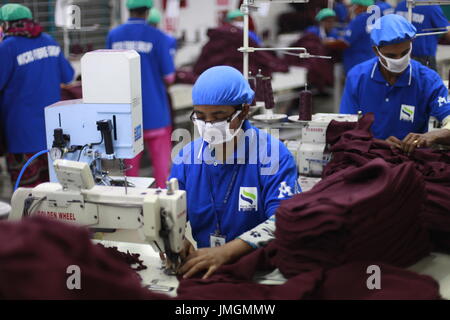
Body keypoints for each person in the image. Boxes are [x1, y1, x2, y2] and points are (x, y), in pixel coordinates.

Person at [170, 66, 300, 279]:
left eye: (219, 116)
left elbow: (283, 220)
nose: (209, 125)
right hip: (206, 267)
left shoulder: (273, 156)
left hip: (259, 268)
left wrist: (226, 253)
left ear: (245, 110)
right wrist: (175, 239)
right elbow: (169, 210)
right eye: (200, 116)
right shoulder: (187, 158)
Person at [340, 14, 450, 154]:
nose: (399, 60)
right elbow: (346, 128)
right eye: (391, 56)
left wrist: (432, 136)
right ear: (376, 51)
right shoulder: (357, 77)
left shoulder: (428, 80)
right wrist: (377, 144)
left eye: (404, 53)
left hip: (409, 158)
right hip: (367, 155)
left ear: (411, 44)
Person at [0, 3, 74, 188]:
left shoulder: (7, 47)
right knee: (52, 190)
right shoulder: (49, 40)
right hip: (53, 134)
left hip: (21, 136)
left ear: (6, 24)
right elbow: (68, 75)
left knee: (28, 193)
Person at [106, 0, 175, 188]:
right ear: (147, 12)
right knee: (162, 167)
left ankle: (131, 206)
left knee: (129, 171)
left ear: (129, 10)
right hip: (155, 112)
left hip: (125, 113)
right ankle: (163, 203)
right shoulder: (158, 36)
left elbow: (108, 70)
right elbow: (169, 77)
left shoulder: (114, 35)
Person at [396, 0, 450, 70]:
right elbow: (448, 34)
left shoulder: (401, 5)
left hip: (401, 56)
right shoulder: (431, 5)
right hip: (424, 58)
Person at [342, 0, 376, 74]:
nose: (352, 8)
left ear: (362, 6)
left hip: (357, 62)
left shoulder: (359, 19)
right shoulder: (374, 19)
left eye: (354, 5)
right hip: (371, 60)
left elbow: (346, 42)